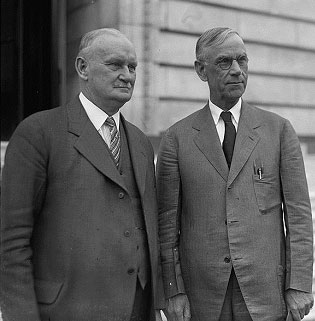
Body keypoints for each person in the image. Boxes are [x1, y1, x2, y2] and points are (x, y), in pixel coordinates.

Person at [1, 28, 165, 321]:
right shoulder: (38, 132)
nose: (127, 75)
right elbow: (12, 241)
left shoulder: (140, 142)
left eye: (132, 67)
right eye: (115, 65)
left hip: (136, 310)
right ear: (82, 68)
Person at [156, 27, 313, 321]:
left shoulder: (278, 131)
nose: (237, 70)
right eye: (224, 62)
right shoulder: (176, 139)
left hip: (265, 295)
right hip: (202, 299)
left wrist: (299, 284)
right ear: (201, 70)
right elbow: (166, 227)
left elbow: (299, 217)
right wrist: (172, 289)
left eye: (242, 60)